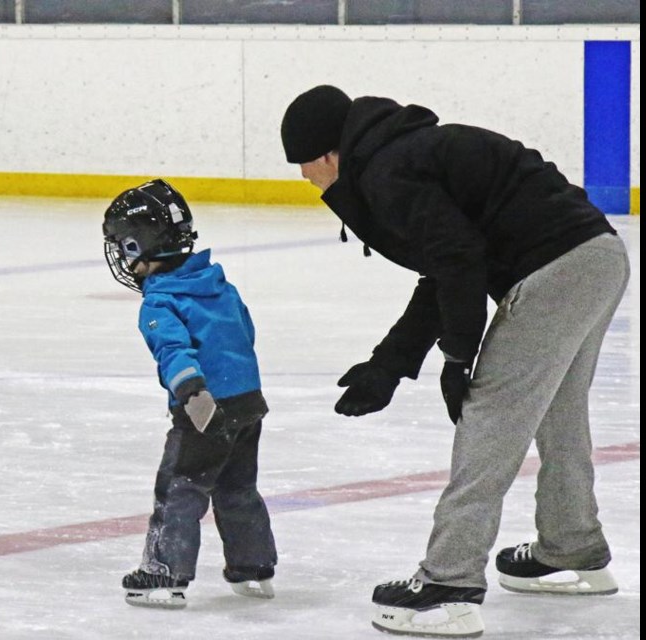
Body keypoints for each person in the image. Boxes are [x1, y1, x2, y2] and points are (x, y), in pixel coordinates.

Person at [281, 86, 628, 637]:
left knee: (490, 417)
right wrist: (389, 363)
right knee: (559, 409)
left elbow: (457, 259)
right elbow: (443, 269)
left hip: (556, 268)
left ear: (327, 155)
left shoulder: (387, 172)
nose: (303, 177)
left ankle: (449, 584)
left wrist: (458, 356)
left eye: (302, 164)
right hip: (597, 257)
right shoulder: (401, 154)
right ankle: (572, 547)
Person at [102, 179, 278, 609]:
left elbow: (174, 352)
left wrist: (195, 397)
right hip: (249, 402)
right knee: (238, 488)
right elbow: (245, 333)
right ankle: (253, 569)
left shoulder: (160, 302)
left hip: (204, 406)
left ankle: (165, 573)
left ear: (136, 247)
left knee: (181, 487)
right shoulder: (219, 284)